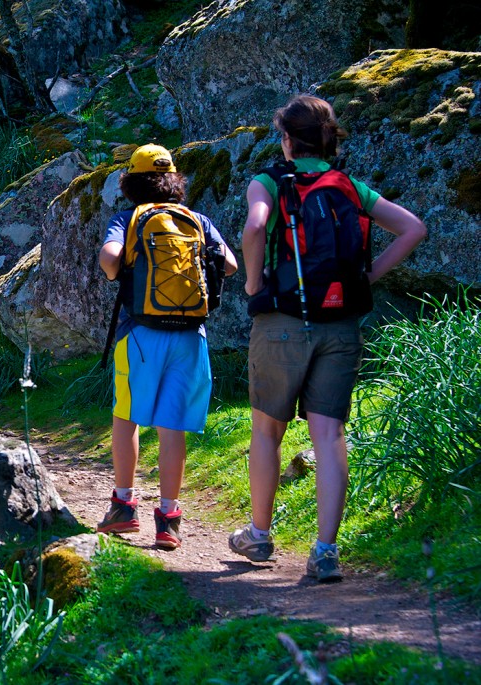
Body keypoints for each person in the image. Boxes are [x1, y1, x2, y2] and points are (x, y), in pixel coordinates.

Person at [229, 94, 426, 582]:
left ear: (288, 140)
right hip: (341, 326)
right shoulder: (351, 187)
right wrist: (366, 278)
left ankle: (258, 534)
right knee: (330, 435)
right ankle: (325, 551)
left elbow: (255, 228)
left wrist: (254, 283)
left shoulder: (270, 181)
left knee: (266, 430)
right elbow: (413, 229)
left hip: (281, 323)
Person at [96, 144, 237, 549]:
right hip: (190, 335)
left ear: (131, 183)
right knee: (172, 426)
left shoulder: (128, 218)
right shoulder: (197, 220)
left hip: (140, 333)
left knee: (127, 417)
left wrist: (126, 263)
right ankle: (169, 521)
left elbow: (109, 261)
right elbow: (228, 264)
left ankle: (124, 507)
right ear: (174, 180)